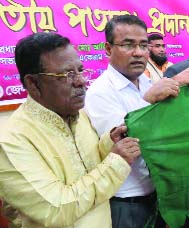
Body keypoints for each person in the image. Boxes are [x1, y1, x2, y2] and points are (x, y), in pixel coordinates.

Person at [0, 32, 139, 227]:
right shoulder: (11, 141)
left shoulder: (78, 114)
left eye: (81, 70)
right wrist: (117, 161)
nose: (81, 81)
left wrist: (109, 143)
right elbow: (56, 209)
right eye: (67, 75)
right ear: (33, 83)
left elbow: (89, 167)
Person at [85, 15, 189, 228]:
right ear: (108, 49)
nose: (139, 52)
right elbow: (127, 143)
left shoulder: (147, 81)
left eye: (143, 45)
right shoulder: (100, 92)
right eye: (128, 45)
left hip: (156, 192)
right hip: (126, 200)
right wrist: (149, 99)